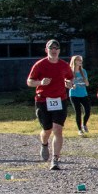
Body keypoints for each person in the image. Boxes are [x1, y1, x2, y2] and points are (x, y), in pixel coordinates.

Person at [26, 39, 72, 170]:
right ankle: (44, 143)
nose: (54, 50)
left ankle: (55, 159)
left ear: (59, 50)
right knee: (47, 130)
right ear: (47, 50)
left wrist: (69, 83)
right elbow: (29, 81)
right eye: (51, 48)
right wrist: (40, 82)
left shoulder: (64, 65)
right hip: (43, 100)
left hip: (60, 100)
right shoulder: (40, 64)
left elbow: (70, 77)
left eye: (56, 48)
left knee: (58, 129)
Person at [67, 54, 93, 134]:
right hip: (74, 94)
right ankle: (79, 130)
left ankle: (84, 125)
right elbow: (67, 83)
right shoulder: (70, 71)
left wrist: (86, 82)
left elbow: (87, 84)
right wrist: (71, 85)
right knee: (78, 112)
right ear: (74, 61)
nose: (80, 61)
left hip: (83, 93)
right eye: (78, 60)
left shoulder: (83, 71)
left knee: (88, 110)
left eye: (81, 60)